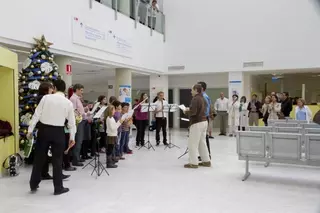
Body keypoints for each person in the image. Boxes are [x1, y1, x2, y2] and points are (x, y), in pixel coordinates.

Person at [27, 79, 76, 195]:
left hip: (44, 130)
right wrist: (72, 137)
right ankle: (58, 188)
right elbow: (71, 123)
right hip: (58, 132)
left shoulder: (46, 98)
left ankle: (33, 184)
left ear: (54, 87)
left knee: (39, 158)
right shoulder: (68, 103)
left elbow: (36, 115)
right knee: (57, 160)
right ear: (63, 89)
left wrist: (30, 130)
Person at [183, 84, 210, 169]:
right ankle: (206, 161)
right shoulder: (203, 98)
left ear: (196, 90)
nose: (191, 91)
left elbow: (193, 112)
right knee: (202, 143)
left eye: (192, 90)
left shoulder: (195, 98)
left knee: (192, 143)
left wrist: (186, 111)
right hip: (204, 121)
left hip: (197, 122)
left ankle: (193, 163)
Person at [69, 84, 91, 167]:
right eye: (81, 90)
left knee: (80, 140)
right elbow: (74, 111)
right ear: (77, 90)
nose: (82, 92)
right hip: (78, 122)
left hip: (82, 120)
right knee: (78, 140)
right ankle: (75, 159)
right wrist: (85, 113)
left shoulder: (77, 99)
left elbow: (79, 110)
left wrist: (84, 110)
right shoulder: (73, 99)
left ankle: (77, 156)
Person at [197, 81, 212, 158]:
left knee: (204, 137)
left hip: (203, 118)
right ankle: (204, 154)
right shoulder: (202, 96)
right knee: (202, 137)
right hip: (203, 118)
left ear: (201, 88)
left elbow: (206, 110)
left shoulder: (204, 97)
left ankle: (207, 154)